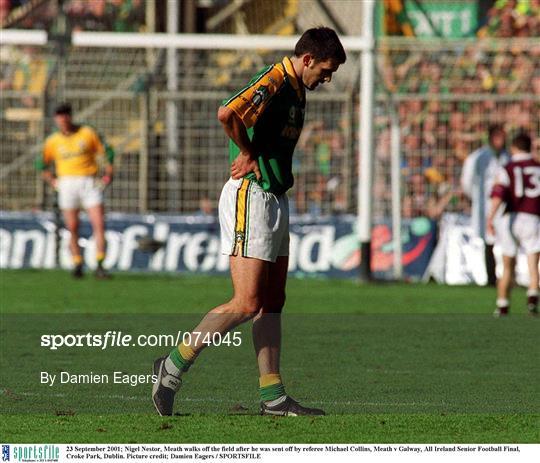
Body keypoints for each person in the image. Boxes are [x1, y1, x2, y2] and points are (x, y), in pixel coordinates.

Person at [152, 27, 346, 416]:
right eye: (325, 70)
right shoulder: (275, 80)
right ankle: (171, 366)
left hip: (275, 197)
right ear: (307, 59)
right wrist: (248, 151)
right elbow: (228, 112)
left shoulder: (297, 89)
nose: (327, 79)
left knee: (273, 302)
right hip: (251, 195)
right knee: (247, 301)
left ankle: (272, 397)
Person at [37, 103, 114, 279]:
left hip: (88, 182)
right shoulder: (53, 141)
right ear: (56, 119)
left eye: (65, 115)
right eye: (59, 116)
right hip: (67, 184)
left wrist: (108, 174)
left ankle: (100, 264)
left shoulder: (87, 133)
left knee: (99, 224)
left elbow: (108, 152)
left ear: (70, 116)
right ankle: (77, 263)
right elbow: (41, 164)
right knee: (72, 227)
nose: (62, 119)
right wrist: (53, 181)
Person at [487, 132, 539, 317]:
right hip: (533, 218)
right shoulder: (537, 167)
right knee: (533, 264)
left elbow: (499, 194)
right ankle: (532, 301)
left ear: (514, 148)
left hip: (511, 218)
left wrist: (490, 218)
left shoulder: (507, 168)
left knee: (508, 264)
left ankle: (502, 305)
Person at [460, 124, 509, 286]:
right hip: (485, 207)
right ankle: (491, 278)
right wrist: (478, 200)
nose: (500, 141)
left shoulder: (508, 157)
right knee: (488, 242)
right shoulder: (477, 158)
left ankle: (509, 277)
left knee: (507, 241)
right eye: (497, 137)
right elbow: (467, 183)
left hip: (504, 206)